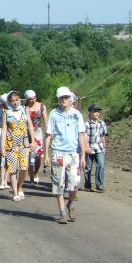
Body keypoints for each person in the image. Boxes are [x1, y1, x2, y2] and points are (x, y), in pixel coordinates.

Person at [44, 87, 90, 223]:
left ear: (71, 99)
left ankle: (70, 202)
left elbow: (81, 134)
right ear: (58, 99)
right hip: (58, 152)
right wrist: (46, 154)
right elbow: (48, 135)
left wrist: (82, 155)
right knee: (58, 184)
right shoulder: (53, 114)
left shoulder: (77, 115)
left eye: (66, 97)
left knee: (74, 183)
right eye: (61, 98)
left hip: (73, 153)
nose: (64, 100)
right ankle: (62, 212)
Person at [2, 90, 34, 202]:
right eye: (12, 101)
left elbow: (30, 126)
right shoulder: (7, 112)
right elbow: (4, 129)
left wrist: (33, 141)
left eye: (16, 100)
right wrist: (2, 146)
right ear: (9, 102)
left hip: (24, 143)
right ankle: (15, 192)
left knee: (24, 167)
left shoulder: (24, 111)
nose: (15, 102)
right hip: (11, 144)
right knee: (12, 169)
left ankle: (20, 187)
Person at [83, 104, 108, 192]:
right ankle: (87, 185)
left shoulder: (102, 123)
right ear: (89, 113)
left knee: (101, 165)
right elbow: (84, 136)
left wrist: (104, 146)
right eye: (95, 111)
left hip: (99, 148)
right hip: (89, 148)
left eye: (98, 111)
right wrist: (85, 147)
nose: (97, 113)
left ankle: (99, 185)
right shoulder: (86, 124)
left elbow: (103, 136)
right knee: (88, 167)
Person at [25, 90, 48, 185]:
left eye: (34, 98)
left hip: (38, 132)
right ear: (27, 99)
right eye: (30, 99)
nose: (33, 100)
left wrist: (48, 131)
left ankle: (35, 173)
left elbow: (46, 120)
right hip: (27, 133)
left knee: (38, 156)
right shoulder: (24, 108)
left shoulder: (41, 106)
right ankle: (31, 179)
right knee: (31, 156)